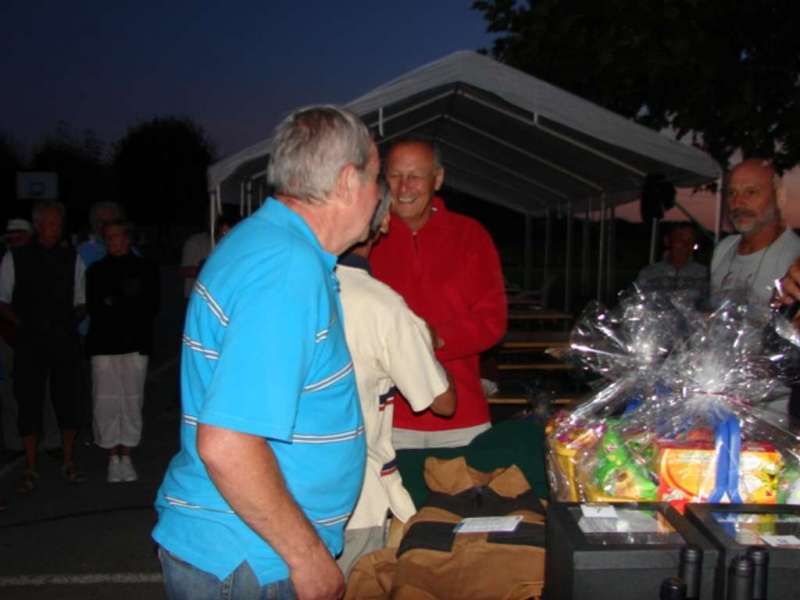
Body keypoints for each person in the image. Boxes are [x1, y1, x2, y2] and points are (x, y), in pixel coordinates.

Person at [152, 105, 380, 600]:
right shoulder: (286, 268)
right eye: (375, 179)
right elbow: (228, 443)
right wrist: (308, 556)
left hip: (242, 549)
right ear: (346, 181)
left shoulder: (265, 242)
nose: (378, 197)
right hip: (253, 558)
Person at [336, 189, 456, 576]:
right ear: (384, 221)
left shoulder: (292, 286)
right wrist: (427, 340)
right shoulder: (383, 305)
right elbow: (443, 402)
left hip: (287, 497)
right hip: (359, 500)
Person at [370, 137, 507, 449]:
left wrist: (436, 338)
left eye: (416, 176)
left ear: (438, 179)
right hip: (384, 421)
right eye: (395, 175)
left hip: (462, 419)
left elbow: (492, 322)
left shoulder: (470, 235)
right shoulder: (363, 238)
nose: (404, 187)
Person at [0, 200, 87, 492]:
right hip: (30, 342)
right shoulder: (15, 257)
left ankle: (68, 459)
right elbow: (3, 300)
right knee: (28, 401)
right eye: (50, 223)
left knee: (68, 399)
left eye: (58, 223)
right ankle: (30, 465)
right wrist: (25, 325)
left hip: (63, 340)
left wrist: (67, 322)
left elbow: (80, 300)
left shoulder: (72, 257)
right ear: (37, 225)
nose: (55, 228)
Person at [86, 220, 159, 483]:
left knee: (131, 399)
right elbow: (96, 306)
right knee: (105, 401)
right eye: (108, 238)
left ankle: (126, 456)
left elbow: (148, 307)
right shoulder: (96, 270)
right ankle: (111, 457)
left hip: (135, 343)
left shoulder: (146, 269)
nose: (113, 242)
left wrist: (116, 301)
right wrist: (124, 301)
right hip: (103, 345)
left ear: (128, 239)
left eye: (117, 236)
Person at [710, 158, 800, 308]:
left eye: (751, 192)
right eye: (731, 193)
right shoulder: (723, 248)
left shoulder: (795, 257)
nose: (737, 202)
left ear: (779, 196)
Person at [635, 223, 708, 302]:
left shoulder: (704, 274)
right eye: (679, 238)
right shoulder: (649, 273)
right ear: (667, 240)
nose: (685, 244)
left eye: (690, 240)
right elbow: (636, 301)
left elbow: (711, 304)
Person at [179, 215, 238, 299]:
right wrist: (204, 268)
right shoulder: (196, 242)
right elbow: (182, 271)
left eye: (230, 233)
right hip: (197, 298)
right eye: (223, 233)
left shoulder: (237, 250)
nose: (226, 237)